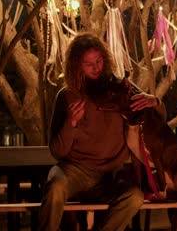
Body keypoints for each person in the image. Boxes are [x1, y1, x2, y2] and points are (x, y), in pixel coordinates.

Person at [38, 32, 166, 231]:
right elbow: (57, 151)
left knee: (134, 197)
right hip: (74, 171)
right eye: (89, 64)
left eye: (99, 60)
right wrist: (71, 123)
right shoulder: (67, 96)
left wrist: (155, 102)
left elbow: (159, 118)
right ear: (76, 65)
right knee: (55, 186)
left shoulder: (120, 88)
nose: (96, 67)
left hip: (109, 176)